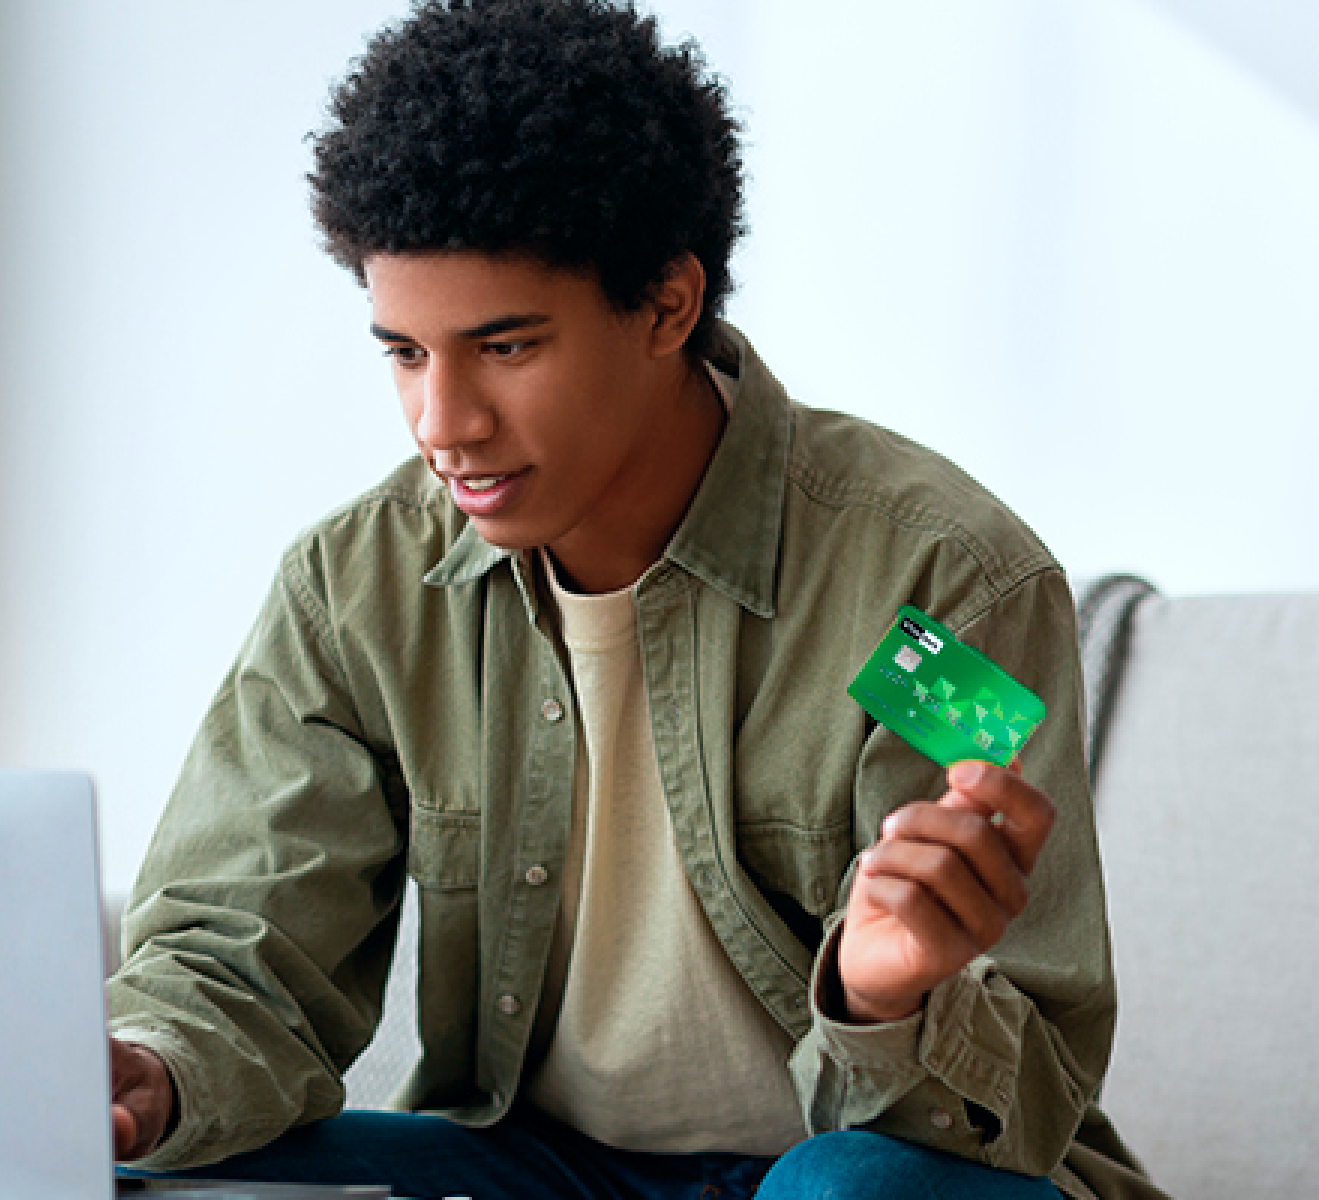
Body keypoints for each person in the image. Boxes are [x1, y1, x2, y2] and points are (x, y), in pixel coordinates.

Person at [98, 3, 1166, 1197]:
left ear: (665, 303)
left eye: (505, 348)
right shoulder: (362, 588)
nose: (443, 424)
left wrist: (882, 995)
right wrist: (153, 1070)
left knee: (847, 1191)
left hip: (859, 1170)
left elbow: (1023, 1092)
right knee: (155, 1180)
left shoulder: (935, 587)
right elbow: (236, 953)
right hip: (543, 1169)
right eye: (405, 352)